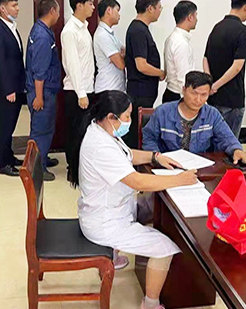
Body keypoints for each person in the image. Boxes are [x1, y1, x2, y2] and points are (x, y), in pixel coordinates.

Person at [73, 90, 198, 309]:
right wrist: (179, 180)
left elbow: (127, 155)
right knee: (165, 248)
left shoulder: (101, 130)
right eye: (127, 116)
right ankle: (150, 304)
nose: (129, 121)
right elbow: (137, 182)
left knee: (151, 205)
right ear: (111, 117)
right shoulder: (100, 147)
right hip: (105, 223)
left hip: (109, 209)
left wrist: (155, 157)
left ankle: (115, 256)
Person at [143, 71, 246, 168]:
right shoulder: (162, 112)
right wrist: (156, 157)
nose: (198, 100)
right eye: (194, 93)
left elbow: (226, 137)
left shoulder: (212, 114)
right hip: (169, 167)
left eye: (204, 95)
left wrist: (237, 150)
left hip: (201, 168)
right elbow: (148, 138)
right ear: (184, 90)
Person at [203, 0, 246, 138]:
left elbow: (205, 58)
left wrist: (210, 84)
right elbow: (237, 67)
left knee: (213, 141)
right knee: (229, 143)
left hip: (214, 98)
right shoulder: (243, 31)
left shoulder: (217, 27)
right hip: (232, 99)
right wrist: (215, 85)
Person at [0, 0, 26, 176]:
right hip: (8, 89)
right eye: (13, 5)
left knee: (10, 124)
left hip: (16, 86)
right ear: (3, 8)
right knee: (4, 125)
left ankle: (9, 156)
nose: (17, 8)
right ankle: (2, 163)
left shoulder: (11, 27)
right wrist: (8, 89)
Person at [61, 0, 96, 181]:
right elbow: (73, 65)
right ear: (79, 5)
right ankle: (72, 170)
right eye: (90, 3)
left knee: (84, 132)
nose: (93, 7)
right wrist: (81, 93)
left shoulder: (84, 27)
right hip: (75, 91)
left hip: (87, 89)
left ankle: (82, 168)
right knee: (75, 132)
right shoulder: (70, 31)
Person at [25, 0, 62, 182]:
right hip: (42, 92)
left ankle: (43, 158)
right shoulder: (41, 36)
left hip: (46, 90)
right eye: (58, 11)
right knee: (41, 131)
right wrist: (39, 97)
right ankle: (37, 169)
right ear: (52, 11)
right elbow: (39, 71)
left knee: (46, 129)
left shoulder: (43, 30)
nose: (59, 15)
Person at [125, 0, 165, 148]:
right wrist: (161, 73)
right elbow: (141, 65)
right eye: (159, 7)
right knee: (136, 132)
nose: (160, 11)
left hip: (144, 90)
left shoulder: (141, 29)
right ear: (150, 8)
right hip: (140, 91)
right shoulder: (138, 31)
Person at [163, 0, 198, 103]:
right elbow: (183, 77)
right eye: (196, 15)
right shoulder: (181, 42)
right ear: (190, 17)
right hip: (178, 96)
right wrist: (192, 98)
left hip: (172, 93)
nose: (197, 19)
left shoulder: (172, 38)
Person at [94, 0, 125, 93]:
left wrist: (120, 55)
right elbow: (120, 64)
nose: (119, 15)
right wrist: (119, 56)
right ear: (109, 10)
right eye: (117, 10)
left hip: (115, 88)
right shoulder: (103, 35)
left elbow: (124, 51)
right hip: (108, 89)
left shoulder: (110, 34)